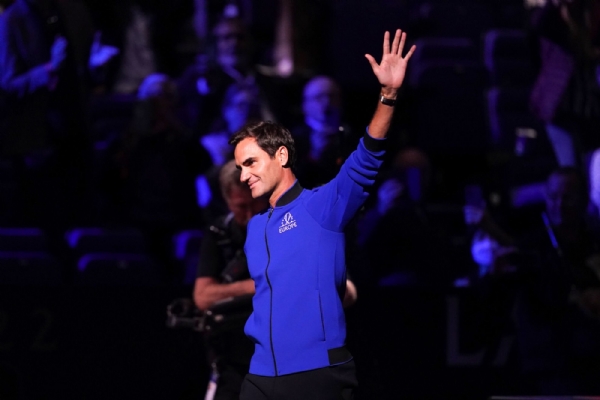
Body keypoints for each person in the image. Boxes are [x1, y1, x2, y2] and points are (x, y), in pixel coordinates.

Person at [227, 29, 415, 399]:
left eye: (251, 163)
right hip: (260, 375)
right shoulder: (255, 228)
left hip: (315, 374)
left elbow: (366, 157)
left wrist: (388, 95)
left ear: (281, 156)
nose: (244, 175)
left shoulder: (320, 206)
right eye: (239, 168)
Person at [193, 159, 358, 400]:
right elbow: (203, 297)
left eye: (256, 203)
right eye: (241, 207)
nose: (250, 215)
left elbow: (348, 292)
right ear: (227, 202)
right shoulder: (219, 234)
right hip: (235, 361)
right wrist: (264, 284)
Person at [528, 0, 600, 168]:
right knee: (569, 170)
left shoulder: (593, 13)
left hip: (592, 109)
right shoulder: (549, 18)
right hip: (560, 109)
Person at [290, 75, 358, 190]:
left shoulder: (352, 135)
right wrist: (314, 155)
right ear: (305, 104)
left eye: (331, 96)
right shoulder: (292, 138)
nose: (327, 102)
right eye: (319, 97)